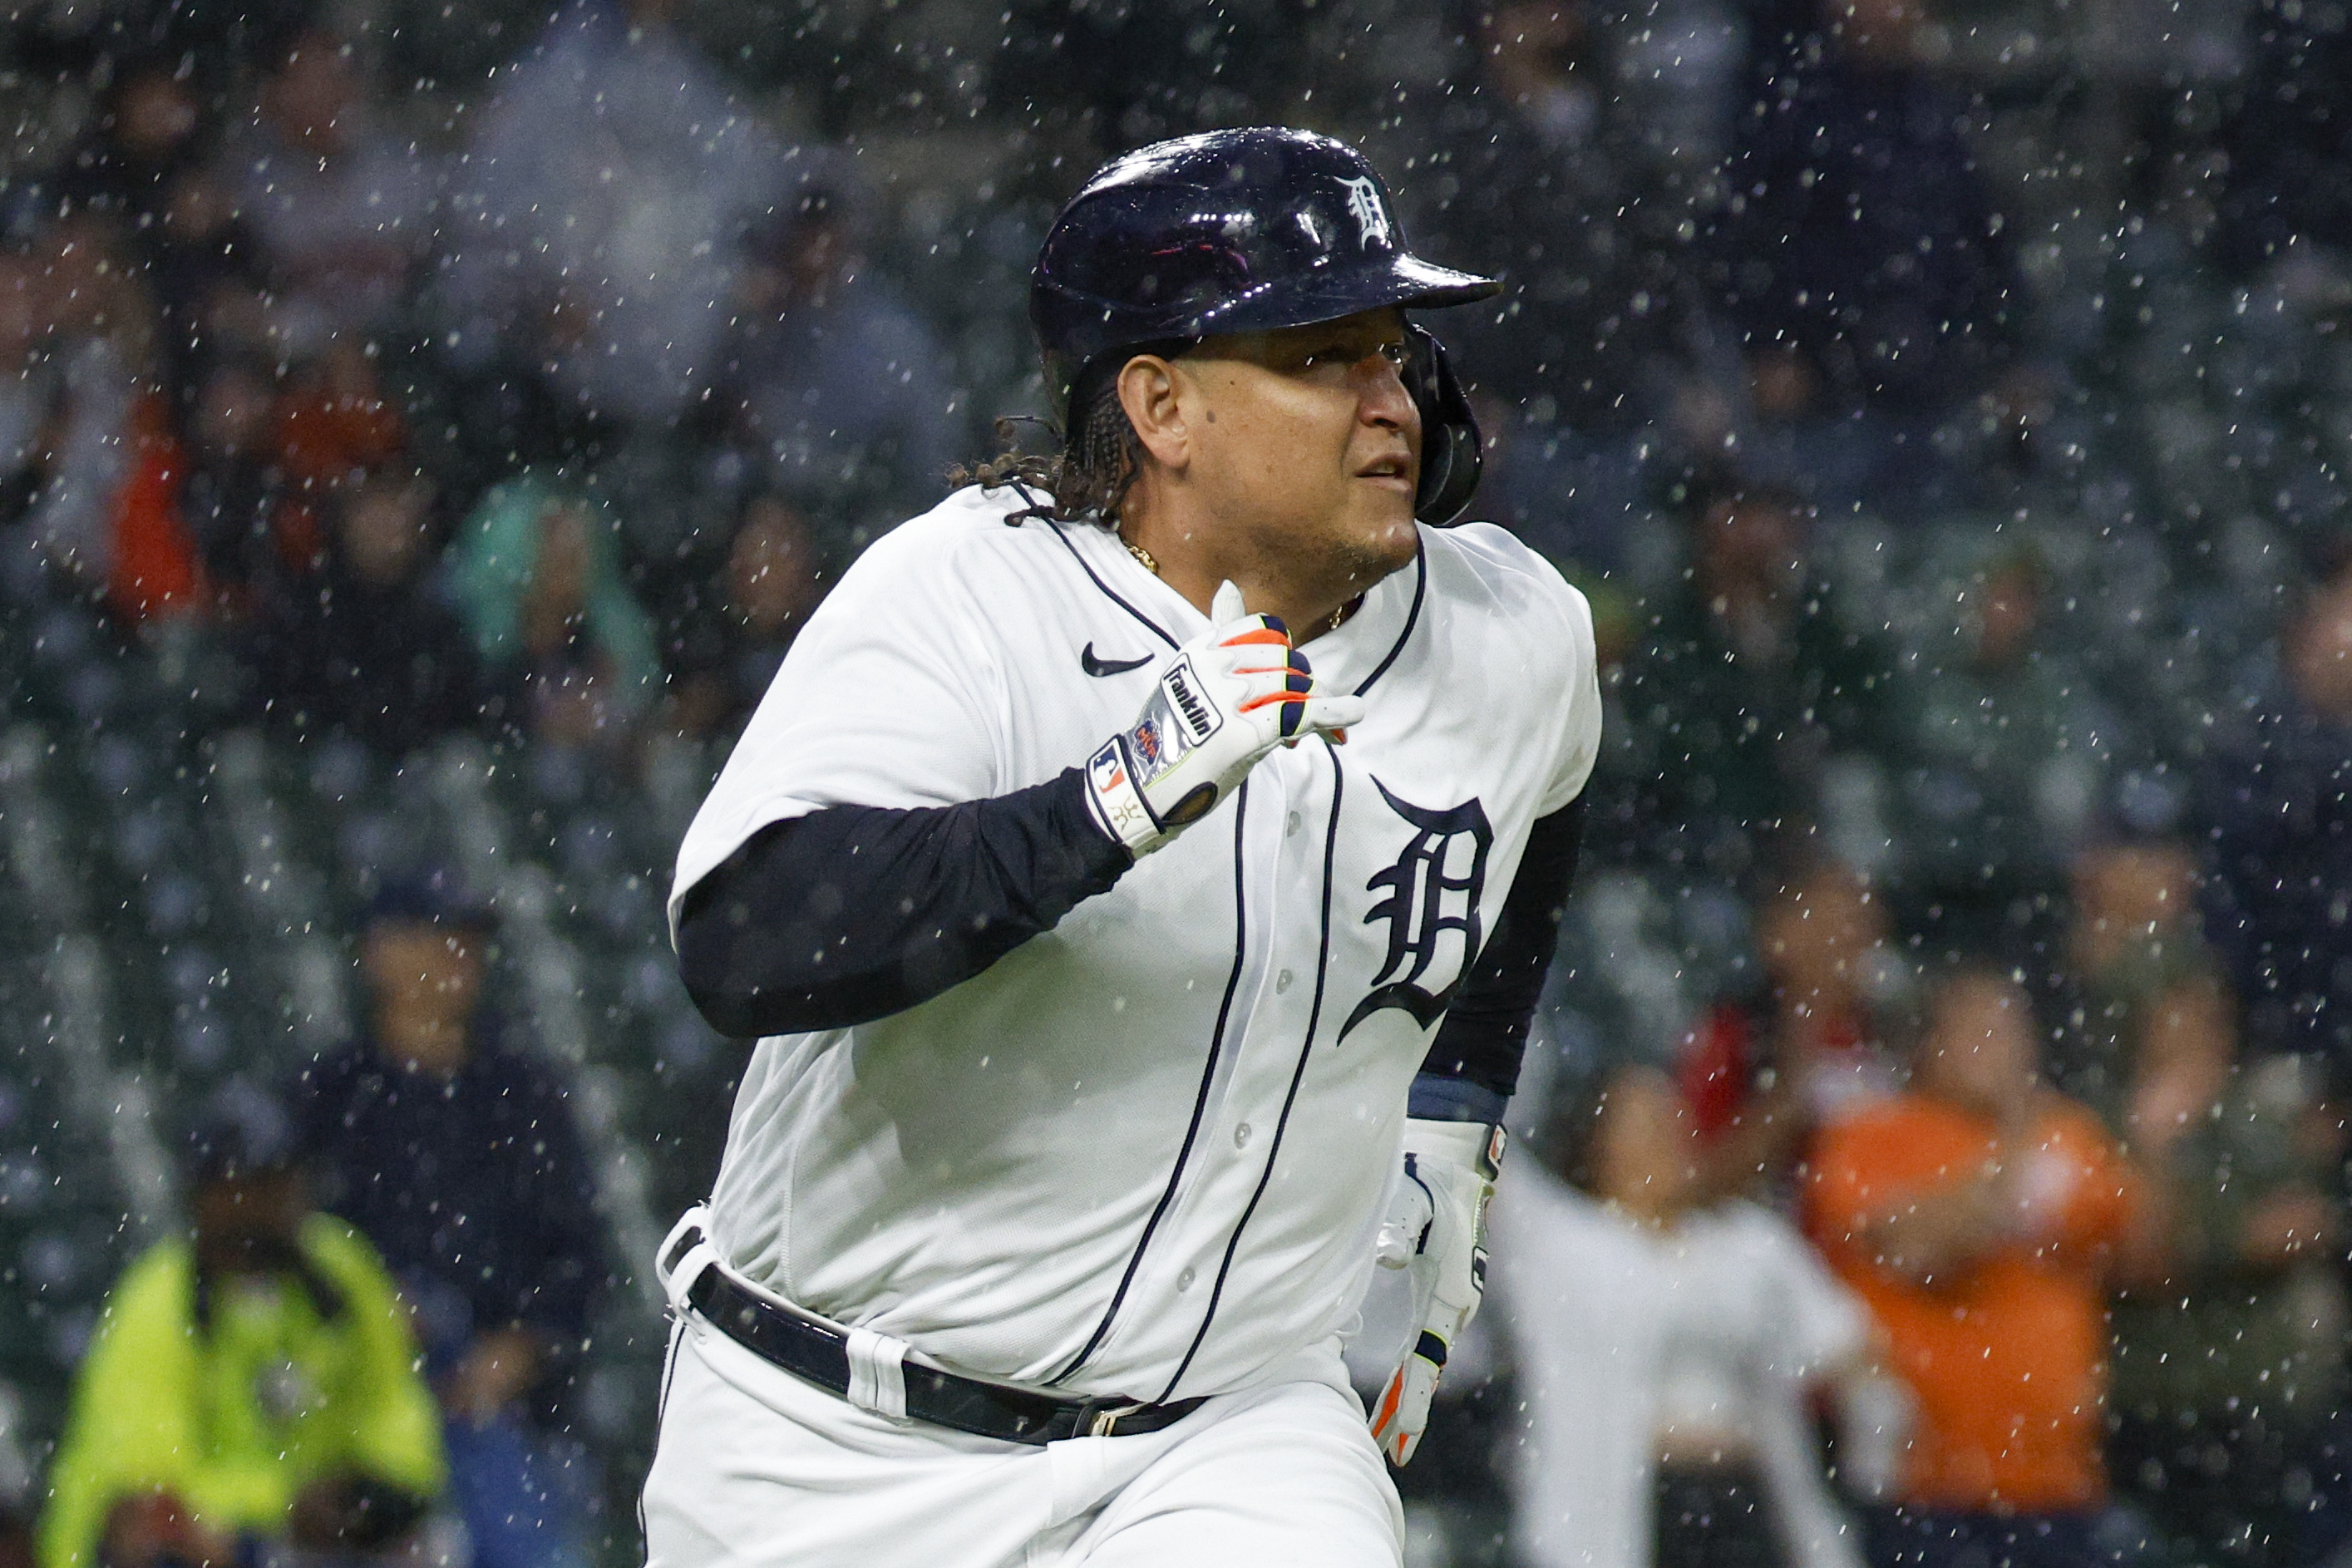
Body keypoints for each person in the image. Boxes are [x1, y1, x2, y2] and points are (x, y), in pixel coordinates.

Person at [643, 127, 1602, 1565]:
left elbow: (1533, 810)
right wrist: (1106, 802)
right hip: (831, 1437)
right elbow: (749, 939)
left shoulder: (1513, 635)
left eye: (1391, 348)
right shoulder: (966, 591)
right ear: (1158, 403)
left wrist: (1453, 1108)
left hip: (1224, 1436)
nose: (1386, 396)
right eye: (1316, 353)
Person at [288, 873, 604, 1568]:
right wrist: (376, 1313)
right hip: (364, 1410)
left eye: (467, 942)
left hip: (511, 1412)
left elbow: (579, 1248)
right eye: (437, 938)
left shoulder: (521, 1091)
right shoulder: (331, 1093)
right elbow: (294, 1241)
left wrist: (520, 1346)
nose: (457, 957)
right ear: (379, 954)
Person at [1804, 964, 2157, 1568]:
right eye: (1975, 1031)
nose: (1996, 1049)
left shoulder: (2072, 1133)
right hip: (1924, 1483)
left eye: (2007, 1031)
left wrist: (2152, 1135)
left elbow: (2142, 1260)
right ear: (1927, 1044)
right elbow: (1919, 1253)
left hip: (2057, 1481)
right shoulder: (1869, 1135)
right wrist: (2015, 1151)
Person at [38, 1085, 444, 1568]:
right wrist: (282, 1505)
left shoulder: (339, 1266)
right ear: (202, 1197)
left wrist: (375, 1492)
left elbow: (396, 1407)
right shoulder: (157, 1300)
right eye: (245, 1184)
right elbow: (148, 1486)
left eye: (281, 1179)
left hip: (313, 1543)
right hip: (203, 1543)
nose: (265, 1202)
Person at [1493, 1063, 1873, 1568]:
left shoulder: (1748, 1245)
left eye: (1674, 1119)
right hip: (1626, 1516)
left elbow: (1848, 1345)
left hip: (1746, 1505)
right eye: (1644, 1122)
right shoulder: (1560, 1243)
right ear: (1598, 1143)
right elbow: (1486, 1156)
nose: (1666, 1137)